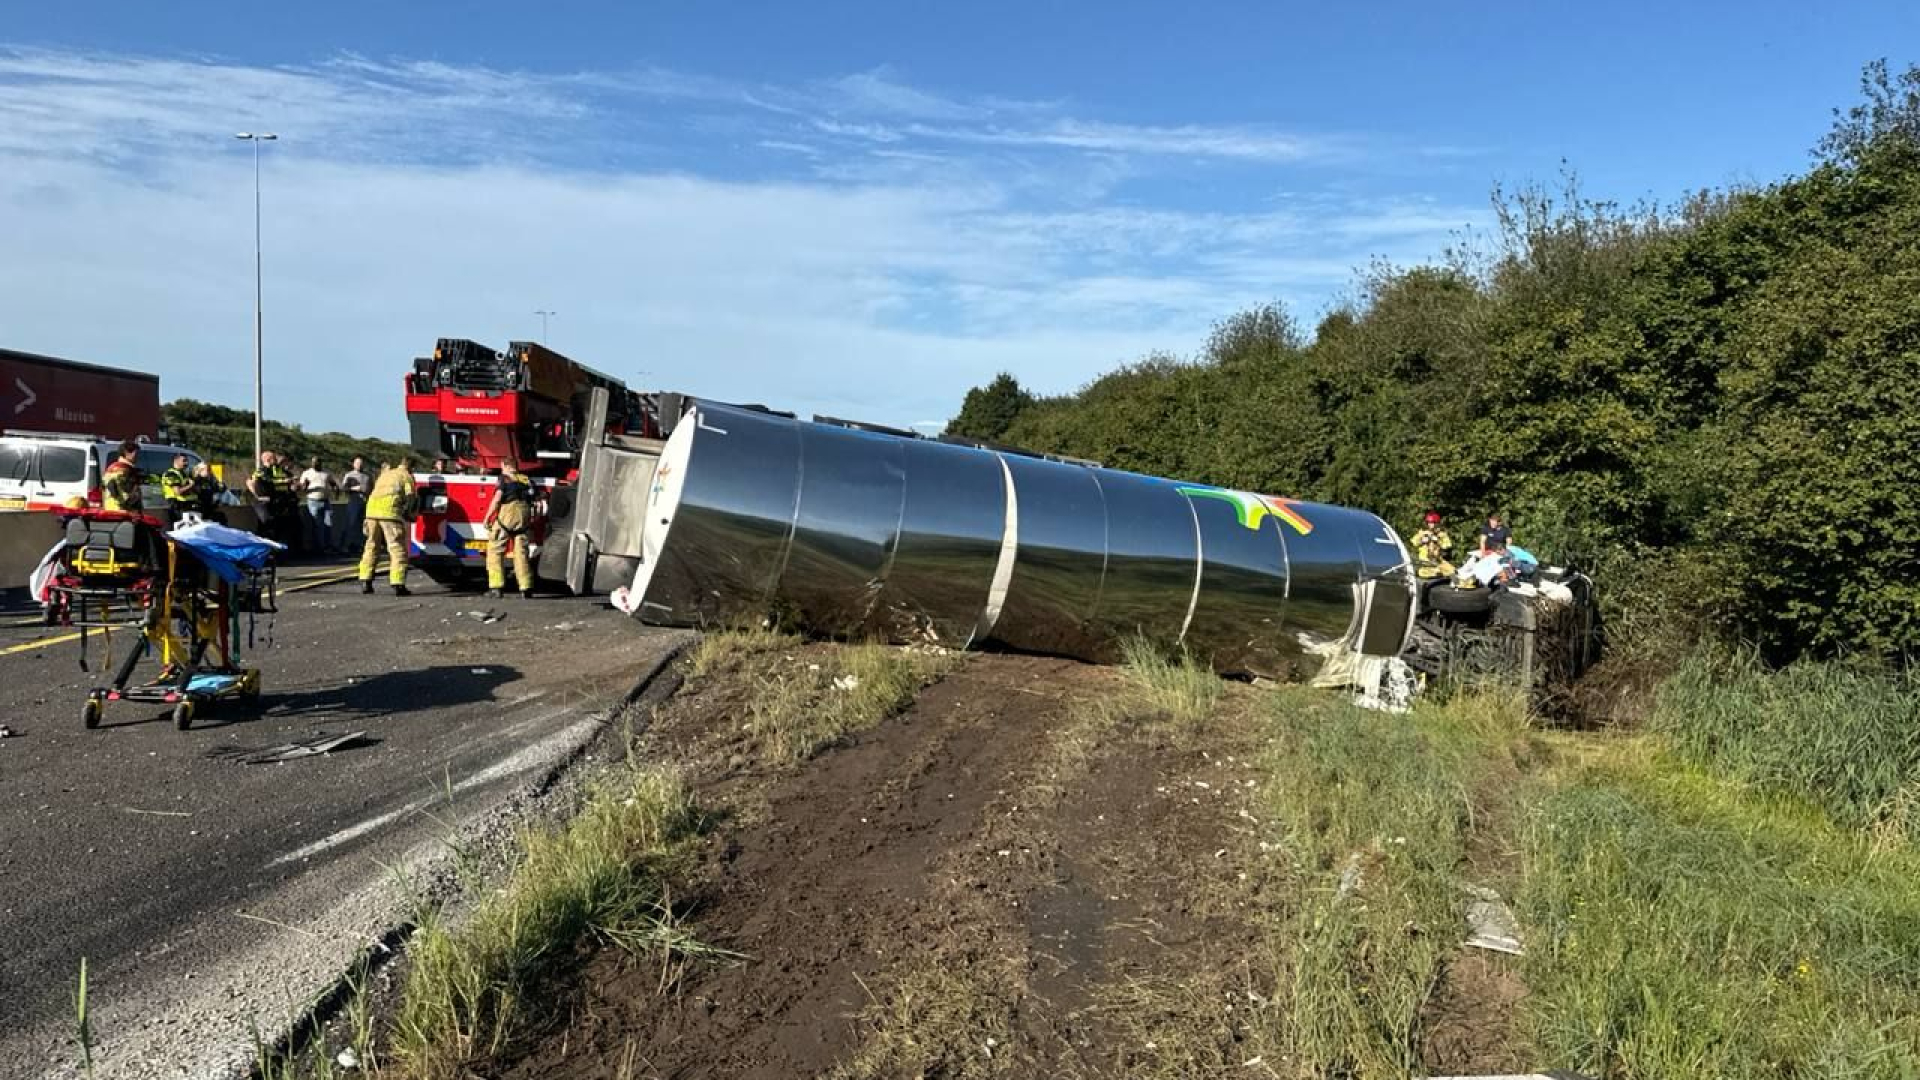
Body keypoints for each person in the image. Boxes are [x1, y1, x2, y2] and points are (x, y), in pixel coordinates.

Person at [358, 455, 418, 596]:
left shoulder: (386, 474)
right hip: (390, 514)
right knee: (397, 549)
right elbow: (411, 498)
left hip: (371, 513)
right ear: (411, 467)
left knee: (371, 547)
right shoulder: (406, 476)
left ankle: (366, 581)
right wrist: (408, 514)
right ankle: (398, 584)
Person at [482, 465, 536, 599]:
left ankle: (496, 588)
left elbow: (497, 499)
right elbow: (534, 499)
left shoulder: (503, 479)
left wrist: (488, 517)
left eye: (502, 467)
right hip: (523, 520)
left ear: (507, 466)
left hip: (507, 518)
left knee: (495, 551)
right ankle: (526, 588)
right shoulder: (526, 480)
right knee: (521, 554)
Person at [250, 451, 297, 548]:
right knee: (266, 524)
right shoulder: (261, 470)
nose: (276, 460)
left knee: (276, 526)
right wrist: (284, 481)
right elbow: (267, 480)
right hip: (262, 503)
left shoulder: (273, 470)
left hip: (272, 502)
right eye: (273, 459)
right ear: (268, 459)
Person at [298, 456, 341, 555]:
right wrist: (305, 485)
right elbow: (301, 488)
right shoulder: (307, 473)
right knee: (317, 525)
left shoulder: (326, 473)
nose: (315, 464)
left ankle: (327, 545)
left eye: (317, 462)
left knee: (328, 523)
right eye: (313, 462)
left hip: (326, 501)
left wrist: (336, 492)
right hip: (313, 501)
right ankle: (318, 547)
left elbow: (333, 484)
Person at [338, 455, 371, 553]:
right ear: (353, 464)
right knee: (350, 524)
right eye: (357, 463)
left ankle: (359, 545)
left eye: (361, 463)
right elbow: (343, 488)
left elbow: (372, 488)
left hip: (365, 502)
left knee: (363, 526)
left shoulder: (367, 476)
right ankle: (345, 545)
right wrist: (354, 488)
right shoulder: (349, 475)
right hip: (354, 502)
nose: (359, 465)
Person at [101, 439, 143, 513]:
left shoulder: (113, 469)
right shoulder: (123, 470)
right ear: (127, 453)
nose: (138, 456)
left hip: (113, 509)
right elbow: (125, 493)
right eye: (136, 453)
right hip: (123, 511)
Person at [1411, 511, 1454, 579]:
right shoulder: (1422, 532)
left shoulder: (1442, 534)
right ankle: (1436, 572)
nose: (1431, 525)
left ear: (1437, 523)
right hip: (1425, 560)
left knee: (1452, 570)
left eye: (1433, 523)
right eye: (1429, 523)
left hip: (1437, 560)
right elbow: (1414, 542)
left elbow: (1448, 545)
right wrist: (1422, 541)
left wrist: (1438, 541)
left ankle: (1438, 572)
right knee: (1422, 572)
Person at [159, 453, 195, 523]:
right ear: (176, 461)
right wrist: (191, 485)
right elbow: (178, 492)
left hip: (183, 506)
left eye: (187, 461)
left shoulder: (183, 473)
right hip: (174, 506)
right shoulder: (171, 474)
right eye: (184, 461)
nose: (186, 463)